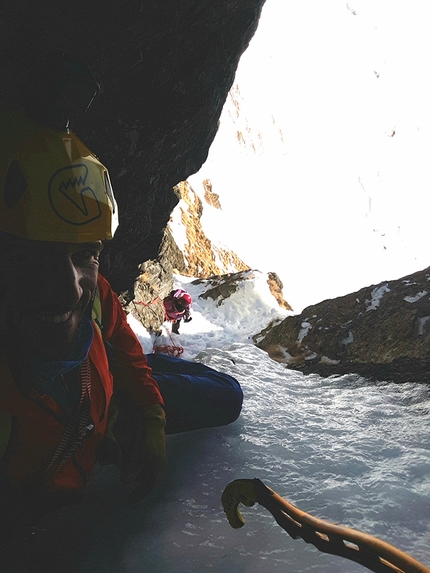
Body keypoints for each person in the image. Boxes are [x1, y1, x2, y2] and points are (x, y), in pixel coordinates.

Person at [0, 108, 242, 548]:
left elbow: (120, 340)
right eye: (27, 259)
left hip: (109, 396)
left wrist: (149, 413)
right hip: (104, 417)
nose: (68, 288)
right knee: (224, 396)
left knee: (227, 393)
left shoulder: (93, 295)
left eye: (83, 255)